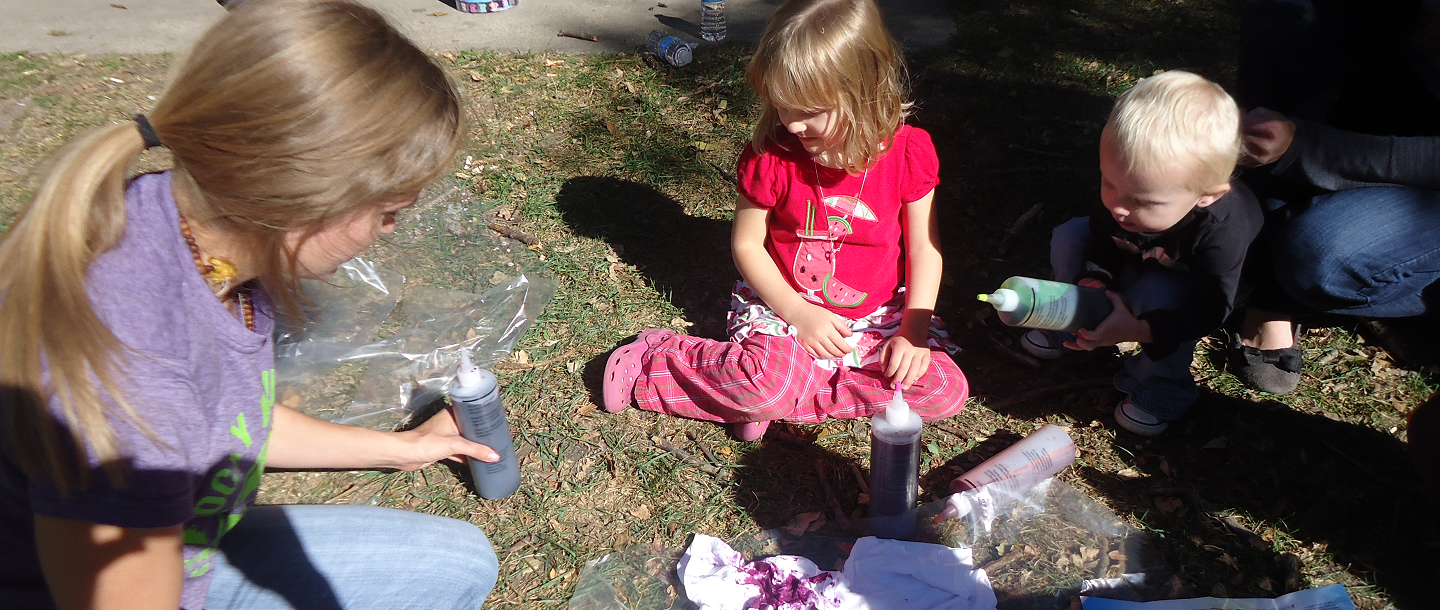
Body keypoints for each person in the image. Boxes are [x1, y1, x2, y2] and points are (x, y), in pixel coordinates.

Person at [0, 1, 500, 609]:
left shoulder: (199, 231)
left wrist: (401, 449)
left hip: (183, 553)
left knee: (457, 564)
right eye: (389, 213)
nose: (389, 233)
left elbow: (226, 416)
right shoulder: (133, 382)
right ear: (307, 200)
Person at [600, 0, 969, 441]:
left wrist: (913, 330)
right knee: (769, 382)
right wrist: (797, 311)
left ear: (864, 91)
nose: (792, 125)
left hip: (876, 317)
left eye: (809, 111)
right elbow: (747, 246)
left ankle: (772, 394)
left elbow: (924, 249)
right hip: (784, 307)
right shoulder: (771, 157)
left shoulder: (908, 154)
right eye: (781, 107)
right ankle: (655, 362)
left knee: (945, 390)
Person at [1021, 71, 1264, 437]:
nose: (1119, 207)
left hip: (1191, 289)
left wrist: (1137, 330)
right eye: (1108, 182)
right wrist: (1093, 279)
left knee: (1159, 294)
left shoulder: (1223, 227)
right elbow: (1102, 240)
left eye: (1142, 201)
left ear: (1206, 195)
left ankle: (1159, 388)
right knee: (1070, 235)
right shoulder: (1127, 192)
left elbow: (1209, 309)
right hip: (1140, 258)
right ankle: (1075, 322)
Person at [1227, 0, 1440, 394]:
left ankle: (1410, 299)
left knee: (1322, 258)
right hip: (1396, 89)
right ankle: (1267, 291)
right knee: (1286, 16)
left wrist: (1304, 148)